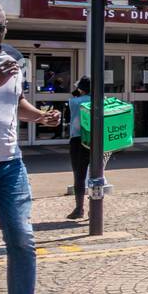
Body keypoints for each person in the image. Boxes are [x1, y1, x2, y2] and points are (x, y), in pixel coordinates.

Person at [0, 0, 62, 294]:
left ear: (5, 28)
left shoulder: (12, 58)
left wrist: (40, 116)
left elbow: (15, 103)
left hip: (10, 165)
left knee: (23, 241)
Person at [66, 77, 92, 219]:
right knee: (96, 174)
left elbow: (71, 102)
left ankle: (79, 208)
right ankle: (94, 207)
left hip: (78, 140)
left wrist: (76, 94)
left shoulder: (74, 101)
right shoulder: (102, 100)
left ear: (81, 88)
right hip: (98, 140)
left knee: (79, 175)